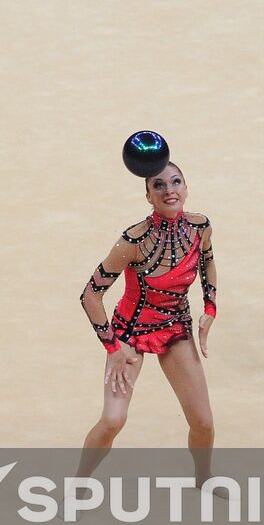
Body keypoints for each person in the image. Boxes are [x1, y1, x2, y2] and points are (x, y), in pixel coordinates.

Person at [77, 163, 218, 483]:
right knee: (113, 419)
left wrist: (210, 307)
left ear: (186, 187)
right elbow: (90, 295)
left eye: (176, 182)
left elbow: (207, 259)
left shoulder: (200, 227)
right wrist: (112, 346)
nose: (169, 190)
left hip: (175, 326)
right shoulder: (133, 240)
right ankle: (77, 486)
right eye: (159, 185)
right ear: (148, 196)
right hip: (130, 331)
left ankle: (204, 478)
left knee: (203, 422)